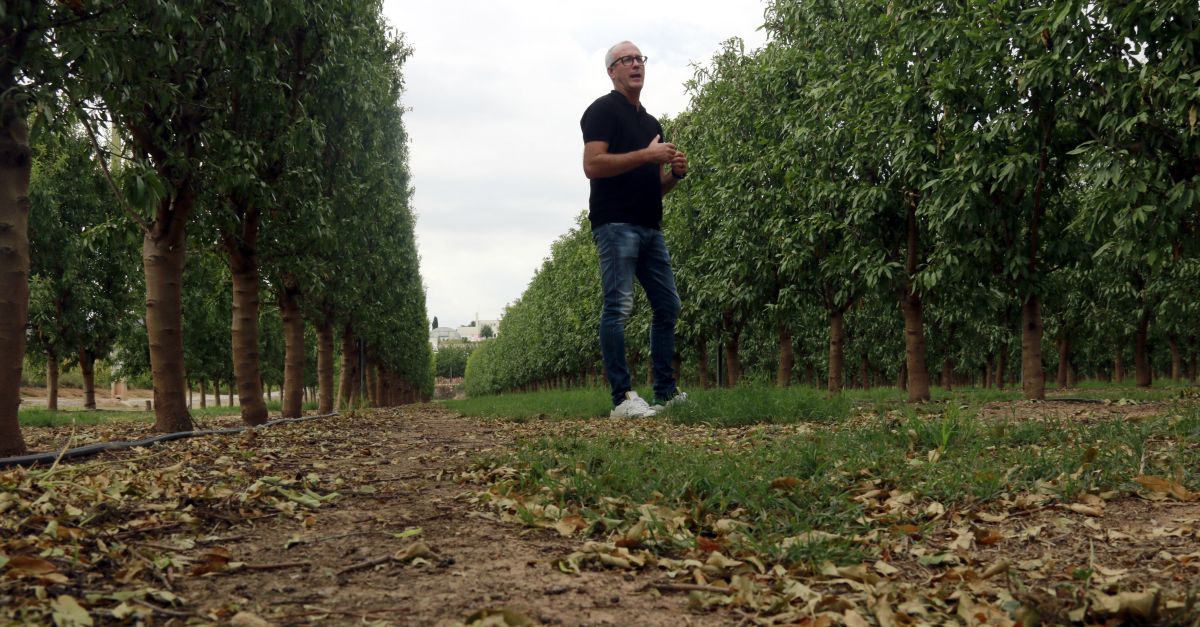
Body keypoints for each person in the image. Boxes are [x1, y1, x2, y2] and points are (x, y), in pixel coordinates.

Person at [580, 41, 689, 418]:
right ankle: (622, 399)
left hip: (650, 227)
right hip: (615, 224)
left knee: (668, 305)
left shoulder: (651, 124)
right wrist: (647, 155)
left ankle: (665, 393)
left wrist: (674, 175)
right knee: (618, 307)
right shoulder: (601, 110)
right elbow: (592, 165)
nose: (635, 65)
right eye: (626, 60)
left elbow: (654, 186)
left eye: (639, 59)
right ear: (611, 71)